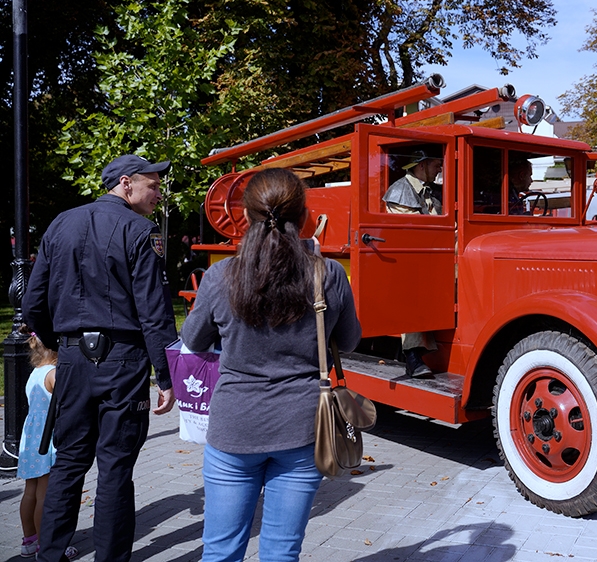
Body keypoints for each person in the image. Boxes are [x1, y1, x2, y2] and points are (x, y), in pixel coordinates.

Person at [181, 168, 362, 560]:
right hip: (302, 429)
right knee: (282, 553)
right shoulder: (328, 274)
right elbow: (348, 341)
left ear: (245, 217)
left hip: (234, 427)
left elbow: (193, 341)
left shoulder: (220, 277)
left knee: (220, 551)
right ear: (304, 217)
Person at [22, 154, 178, 562]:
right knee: (114, 469)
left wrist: (58, 347)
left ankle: (49, 554)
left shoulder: (61, 224)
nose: (158, 194)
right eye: (153, 185)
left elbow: (32, 302)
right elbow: (154, 311)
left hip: (73, 357)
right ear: (126, 184)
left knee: (70, 462)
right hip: (123, 361)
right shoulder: (142, 231)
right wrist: (167, 375)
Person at [17, 330, 78, 560]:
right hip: (47, 437)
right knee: (46, 493)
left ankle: (28, 540)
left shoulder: (35, 372)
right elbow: (68, 401)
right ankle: (47, 545)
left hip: (31, 436)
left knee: (30, 490)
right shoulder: (54, 373)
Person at [382, 149, 442, 377]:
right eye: (436, 165)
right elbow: (413, 232)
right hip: (405, 262)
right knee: (411, 291)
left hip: (430, 259)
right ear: (421, 165)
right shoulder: (399, 191)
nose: (439, 170)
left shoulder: (432, 192)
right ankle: (413, 356)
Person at [383, 149, 443, 215]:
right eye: (437, 166)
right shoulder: (398, 190)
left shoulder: (434, 188)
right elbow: (413, 223)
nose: (440, 170)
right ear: (422, 166)